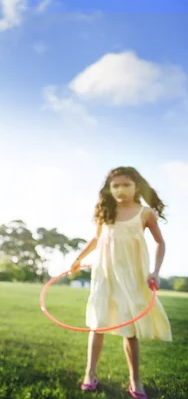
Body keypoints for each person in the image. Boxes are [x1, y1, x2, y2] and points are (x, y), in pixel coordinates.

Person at [70, 166, 172, 398]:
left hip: (132, 277)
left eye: (126, 184)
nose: (120, 189)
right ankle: (90, 373)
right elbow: (97, 239)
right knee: (97, 325)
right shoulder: (105, 211)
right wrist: (78, 258)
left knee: (130, 330)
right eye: (115, 185)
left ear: (136, 186)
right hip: (104, 275)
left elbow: (160, 243)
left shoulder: (145, 213)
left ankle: (135, 380)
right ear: (109, 188)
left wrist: (155, 271)